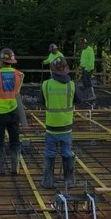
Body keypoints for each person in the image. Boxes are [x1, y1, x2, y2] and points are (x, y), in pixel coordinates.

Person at [41, 57, 78, 188]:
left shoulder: (46, 85)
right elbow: (77, 100)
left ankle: (47, 181)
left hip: (51, 127)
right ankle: (69, 181)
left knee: (50, 152)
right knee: (67, 152)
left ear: (52, 71)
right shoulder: (72, 85)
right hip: (66, 127)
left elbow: (42, 101)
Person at [0, 49, 25, 175]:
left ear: (1, 61)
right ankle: (15, 167)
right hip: (14, 111)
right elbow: (17, 92)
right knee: (15, 140)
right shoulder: (19, 75)